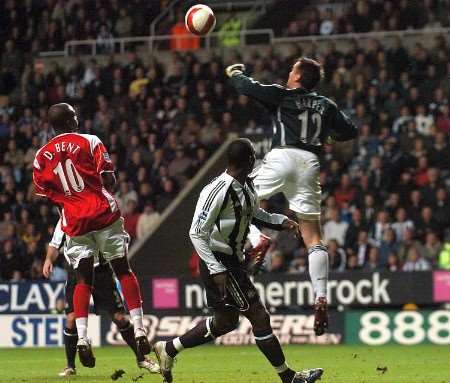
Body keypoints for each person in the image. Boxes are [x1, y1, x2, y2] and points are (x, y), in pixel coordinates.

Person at [153, 139, 324, 383]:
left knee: (226, 322)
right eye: (254, 155)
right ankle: (289, 377)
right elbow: (195, 232)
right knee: (259, 315)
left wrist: (281, 221)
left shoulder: (246, 186)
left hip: (233, 260)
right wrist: (216, 268)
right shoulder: (218, 190)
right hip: (220, 262)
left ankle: (169, 349)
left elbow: (255, 214)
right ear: (249, 160)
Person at [225, 58, 357, 335]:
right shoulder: (326, 105)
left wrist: (235, 72)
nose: (288, 73)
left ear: (298, 77)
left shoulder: (283, 95)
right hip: (310, 163)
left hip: (282, 156)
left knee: (237, 199)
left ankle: (257, 238)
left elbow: (247, 87)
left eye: (291, 70)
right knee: (313, 236)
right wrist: (328, 136)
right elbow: (350, 131)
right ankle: (320, 295)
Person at [33, 103, 150, 367]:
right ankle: (141, 330)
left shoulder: (41, 156)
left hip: (74, 220)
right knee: (123, 270)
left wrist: (71, 201)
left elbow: (46, 193)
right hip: (102, 213)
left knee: (82, 278)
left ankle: (83, 338)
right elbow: (109, 179)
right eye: (75, 116)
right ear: (72, 121)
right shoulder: (90, 140)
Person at [43, 220, 159, 376]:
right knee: (71, 319)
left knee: (120, 318)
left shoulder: (99, 212)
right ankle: (70, 366)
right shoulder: (66, 216)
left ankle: (142, 358)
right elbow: (55, 243)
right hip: (77, 272)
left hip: (101, 272)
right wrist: (49, 259)